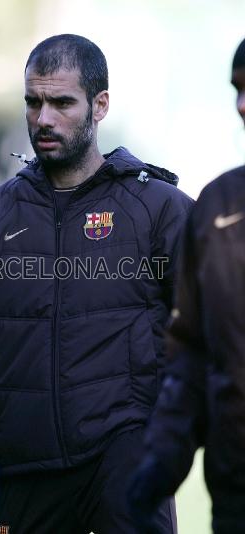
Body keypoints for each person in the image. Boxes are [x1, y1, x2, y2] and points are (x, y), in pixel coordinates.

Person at [0, 34, 192, 534]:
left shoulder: (160, 211)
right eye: (33, 102)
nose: (43, 118)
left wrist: (171, 437)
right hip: (21, 471)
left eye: (61, 102)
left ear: (100, 105)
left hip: (125, 467)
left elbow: (209, 328)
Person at [127, 37, 245, 534]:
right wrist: (163, 460)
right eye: (237, 89)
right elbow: (192, 351)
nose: (242, 104)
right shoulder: (218, 206)